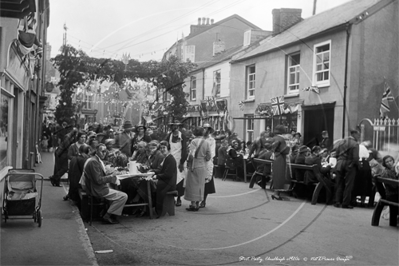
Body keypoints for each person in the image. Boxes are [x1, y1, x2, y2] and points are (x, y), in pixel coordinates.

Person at [82, 143, 128, 224]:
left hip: (95, 187)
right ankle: (107, 215)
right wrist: (111, 177)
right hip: (97, 189)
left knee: (116, 189)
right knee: (123, 196)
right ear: (97, 151)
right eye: (102, 151)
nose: (104, 153)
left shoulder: (95, 160)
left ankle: (109, 212)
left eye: (105, 151)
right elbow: (98, 180)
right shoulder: (94, 162)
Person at [184, 127, 211, 211]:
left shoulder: (193, 141)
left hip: (194, 165)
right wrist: (203, 159)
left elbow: (191, 154)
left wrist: (189, 163)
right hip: (202, 166)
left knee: (192, 185)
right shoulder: (206, 142)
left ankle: (193, 204)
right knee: (200, 185)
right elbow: (209, 156)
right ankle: (198, 203)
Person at [334, 129, 360, 209]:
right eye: (358, 135)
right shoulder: (355, 144)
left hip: (339, 163)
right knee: (348, 184)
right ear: (354, 134)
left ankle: (337, 201)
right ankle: (345, 203)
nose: (359, 137)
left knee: (339, 183)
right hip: (349, 164)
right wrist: (357, 166)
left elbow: (336, 153)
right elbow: (355, 158)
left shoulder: (340, 142)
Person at [164, 120, 188, 207]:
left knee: (180, 178)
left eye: (177, 126)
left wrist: (182, 162)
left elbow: (185, 150)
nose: (176, 128)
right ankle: (172, 198)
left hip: (179, 160)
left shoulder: (183, 137)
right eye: (174, 126)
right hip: (171, 159)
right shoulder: (169, 136)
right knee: (171, 178)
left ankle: (179, 198)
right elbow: (166, 146)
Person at [152, 140, 177, 218]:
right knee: (150, 184)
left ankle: (159, 211)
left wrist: (156, 176)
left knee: (156, 186)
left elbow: (168, 175)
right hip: (166, 180)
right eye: (161, 148)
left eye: (164, 148)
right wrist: (152, 172)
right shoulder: (166, 158)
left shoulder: (170, 159)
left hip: (169, 183)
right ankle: (151, 207)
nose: (162, 149)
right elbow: (161, 170)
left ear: (168, 148)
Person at [271, 125, 290, 200]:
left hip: (275, 157)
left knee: (276, 175)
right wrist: (288, 147)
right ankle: (276, 194)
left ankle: (275, 193)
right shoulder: (282, 139)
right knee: (280, 175)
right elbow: (284, 151)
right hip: (280, 158)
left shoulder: (273, 138)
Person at [200, 123, 216, 208]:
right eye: (204, 128)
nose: (205, 130)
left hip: (207, 161)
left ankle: (203, 200)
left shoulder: (212, 140)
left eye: (207, 129)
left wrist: (207, 157)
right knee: (198, 181)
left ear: (209, 130)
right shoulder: (200, 139)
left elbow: (212, 152)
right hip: (199, 161)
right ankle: (197, 199)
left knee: (206, 181)